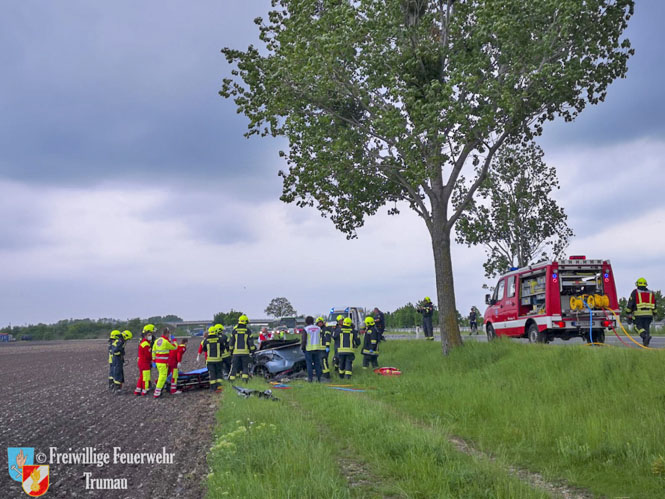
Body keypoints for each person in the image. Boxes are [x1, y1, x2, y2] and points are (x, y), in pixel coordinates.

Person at [626, 277, 657, 346]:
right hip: (649, 315)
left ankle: (645, 336)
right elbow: (654, 304)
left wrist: (628, 312)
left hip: (638, 314)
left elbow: (631, 303)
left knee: (637, 327)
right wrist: (655, 313)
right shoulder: (651, 293)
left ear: (637, 284)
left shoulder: (635, 292)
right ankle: (646, 342)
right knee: (646, 328)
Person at [229, 315, 256, 383]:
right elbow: (251, 343)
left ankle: (232, 381)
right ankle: (244, 380)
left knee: (234, 367)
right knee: (245, 367)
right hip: (245, 353)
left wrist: (231, 351)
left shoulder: (234, 331)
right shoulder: (248, 331)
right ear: (245, 322)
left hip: (236, 353)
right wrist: (252, 351)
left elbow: (231, 342)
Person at [152, 328, 177, 398]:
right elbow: (174, 347)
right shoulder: (165, 342)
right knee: (162, 377)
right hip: (163, 362)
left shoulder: (157, 341)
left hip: (157, 362)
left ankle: (160, 389)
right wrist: (174, 340)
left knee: (161, 376)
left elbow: (153, 351)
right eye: (169, 334)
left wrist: (154, 360)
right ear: (167, 333)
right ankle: (157, 392)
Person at [201, 325, 225, 392]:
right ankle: (219, 387)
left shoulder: (206, 340)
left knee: (212, 374)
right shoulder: (219, 339)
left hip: (210, 360)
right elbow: (223, 348)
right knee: (219, 373)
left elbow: (204, 349)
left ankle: (212, 388)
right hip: (218, 360)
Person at [301, 316, 324, 382]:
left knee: (309, 364)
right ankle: (319, 378)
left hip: (309, 349)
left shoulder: (306, 329)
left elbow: (304, 340)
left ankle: (310, 379)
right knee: (317, 364)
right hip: (317, 348)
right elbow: (321, 336)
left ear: (306, 322)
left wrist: (303, 348)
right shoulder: (318, 328)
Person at [134, 326, 154, 396]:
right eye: (149, 335)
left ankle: (138, 389)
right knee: (146, 377)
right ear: (145, 336)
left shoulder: (143, 342)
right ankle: (144, 391)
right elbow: (148, 355)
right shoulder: (146, 344)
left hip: (141, 362)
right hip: (145, 362)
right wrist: (153, 359)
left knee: (142, 376)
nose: (150, 336)